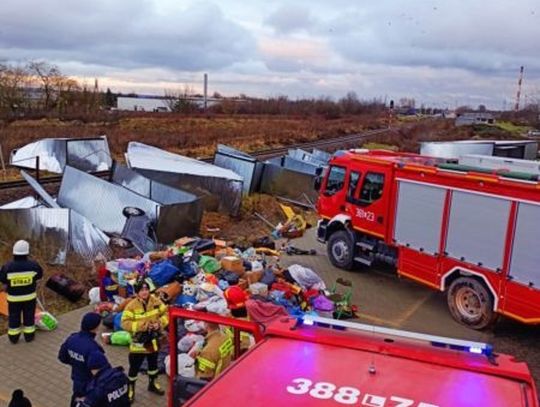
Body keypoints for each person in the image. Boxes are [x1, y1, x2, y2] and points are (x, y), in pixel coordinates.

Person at [121, 279, 168, 403]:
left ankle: (153, 384)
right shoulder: (131, 306)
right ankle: (130, 389)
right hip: (139, 342)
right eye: (141, 290)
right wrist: (143, 326)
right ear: (137, 292)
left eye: (146, 289)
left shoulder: (156, 301)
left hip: (153, 340)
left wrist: (159, 323)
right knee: (134, 368)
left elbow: (167, 313)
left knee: (153, 365)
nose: (145, 292)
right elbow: (125, 323)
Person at [59, 312, 106, 407]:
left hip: (77, 381)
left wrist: (76, 363)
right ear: (95, 328)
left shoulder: (72, 339)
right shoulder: (93, 349)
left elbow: (62, 357)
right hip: (90, 385)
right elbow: (102, 373)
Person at [0, 240, 43, 344]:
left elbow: (2, 279)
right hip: (29, 297)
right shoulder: (33, 265)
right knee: (29, 317)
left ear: (14, 252)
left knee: (14, 317)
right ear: (27, 252)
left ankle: (14, 338)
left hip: (14, 298)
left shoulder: (8, 266)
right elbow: (39, 275)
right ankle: (29, 337)